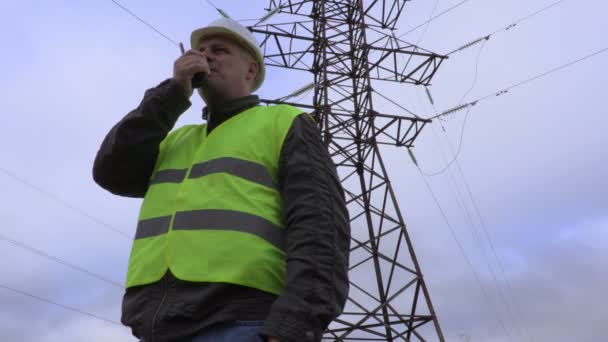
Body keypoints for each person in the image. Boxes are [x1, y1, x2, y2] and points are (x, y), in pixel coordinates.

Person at [92, 17, 351, 342]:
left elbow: (321, 227)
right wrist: (172, 94)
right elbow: (112, 171)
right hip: (157, 328)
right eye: (200, 50)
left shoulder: (284, 122)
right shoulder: (175, 140)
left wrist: (294, 325)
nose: (206, 56)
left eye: (220, 50)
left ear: (251, 71)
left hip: (244, 323)